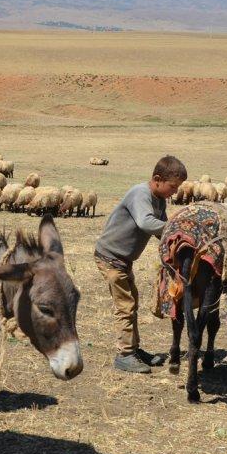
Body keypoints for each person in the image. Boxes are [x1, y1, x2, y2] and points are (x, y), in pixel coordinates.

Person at [94, 155, 187, 374]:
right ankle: (124, 355)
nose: (175, 192)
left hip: (123, 259)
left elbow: (159, 231)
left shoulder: (160, 200)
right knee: (125, 306)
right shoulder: (140, 194)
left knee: (131, 302)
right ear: (157, 179)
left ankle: (133, 349)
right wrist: (175, 229)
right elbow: (146, 222)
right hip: (110, 257)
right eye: (173, 187)